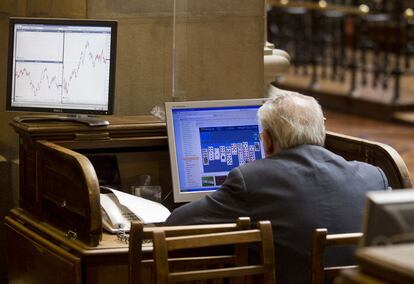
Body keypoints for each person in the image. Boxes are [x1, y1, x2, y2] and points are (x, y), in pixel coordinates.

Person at [164, 88, 389, 283]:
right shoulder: (373, 177)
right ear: (322, 129)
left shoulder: (252, 179)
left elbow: (177, 225)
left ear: (267, 141)